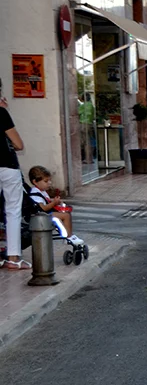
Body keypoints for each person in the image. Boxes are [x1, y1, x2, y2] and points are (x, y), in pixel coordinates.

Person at [0, 100, 29, 269]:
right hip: (7, 166)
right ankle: (13, 258)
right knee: (12, 211)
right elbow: (19, 144)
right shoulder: (1, 113)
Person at [27, 165, 83, 246]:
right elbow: (43, 208)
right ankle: (69, 236)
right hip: (42, 215)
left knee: (66, 213)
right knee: (66, 216)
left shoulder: (42, 191)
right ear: (35, 182)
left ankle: (69, 233)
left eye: (49, 180)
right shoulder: (35, 193)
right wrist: (53, 203)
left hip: (46, 213)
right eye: (46, 181)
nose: (49, 183)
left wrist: (56, 202)